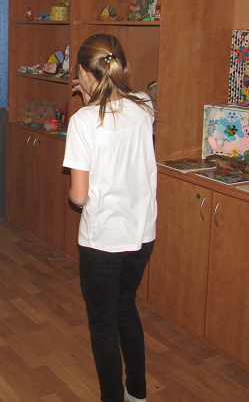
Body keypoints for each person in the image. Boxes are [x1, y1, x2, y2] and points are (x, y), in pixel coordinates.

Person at [62, 33, 157, 402]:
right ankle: (138, 392)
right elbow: (116, 121)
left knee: (102, 325)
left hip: (103, 240)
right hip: (142, 235)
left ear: (85, 73)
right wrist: (92, 98)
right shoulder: (145, 105)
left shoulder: (83, 121)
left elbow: (79, 196)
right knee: (125, 308)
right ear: (123, 66)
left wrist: (88, 105)